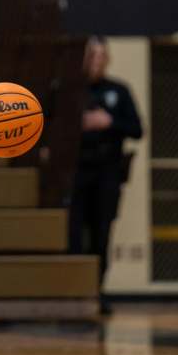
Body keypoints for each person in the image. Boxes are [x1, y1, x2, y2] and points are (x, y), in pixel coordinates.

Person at [69, 36, 143, 315]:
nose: (96, 61)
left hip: (107, 173)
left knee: (102, 234)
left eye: (101, 55)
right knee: (74, 234)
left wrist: (109, 122)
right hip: (77, 173)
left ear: (108, 59)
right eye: (92, 55)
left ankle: (99, 291)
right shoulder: (70, 91)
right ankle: (77, 292)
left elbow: (137, 129)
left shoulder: (119, 91)